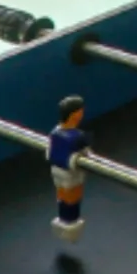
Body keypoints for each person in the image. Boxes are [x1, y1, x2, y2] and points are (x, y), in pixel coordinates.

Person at [47, 96, 91, 241]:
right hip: (71, 173)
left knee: (61, 193)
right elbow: (86, 153)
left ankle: (64, 219)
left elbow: (50, 151)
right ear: (75, 115)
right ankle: (71, 221)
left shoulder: (55, 132)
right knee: (72, 195)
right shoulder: (78, 137)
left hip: (56, 169)